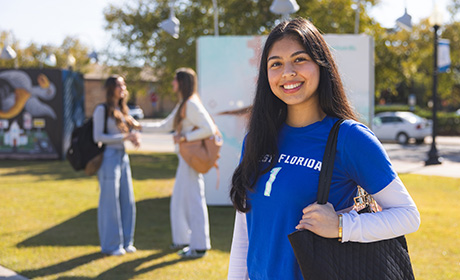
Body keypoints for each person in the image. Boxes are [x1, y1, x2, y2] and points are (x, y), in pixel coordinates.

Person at [227, 18, 421, 279]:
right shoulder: (256, 139)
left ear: (321, 64)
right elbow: (244, 229)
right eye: (276, 64)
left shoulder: (349, 138)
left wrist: (342, 226)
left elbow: (408, 216)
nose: (287, 72)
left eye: (299, 59)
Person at [149, 67, 216, 258]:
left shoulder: (191, 105)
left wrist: (185, 137)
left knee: (193, 202)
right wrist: (138, 127)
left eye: (175, 80)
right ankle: (186, 241)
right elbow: (164, 126)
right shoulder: (184, 104)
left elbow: (209, 129)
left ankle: (200, 246)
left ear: (182, 83)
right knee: (180, 201)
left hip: (190, 161)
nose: (172, 83)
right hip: (185, 161)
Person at [92, 75, 142, 256]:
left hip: (122, 157)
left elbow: (135, 128)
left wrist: (134, 135)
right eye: (119, 85)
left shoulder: (122, 110)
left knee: (127, 200)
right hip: (108, 158)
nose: (122, 87)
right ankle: (111, 245)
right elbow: (97, 137)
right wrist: (125, 137)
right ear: (110, 88)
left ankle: (127, 241)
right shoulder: (101, 110)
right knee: (109, 202)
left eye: (123, 84)